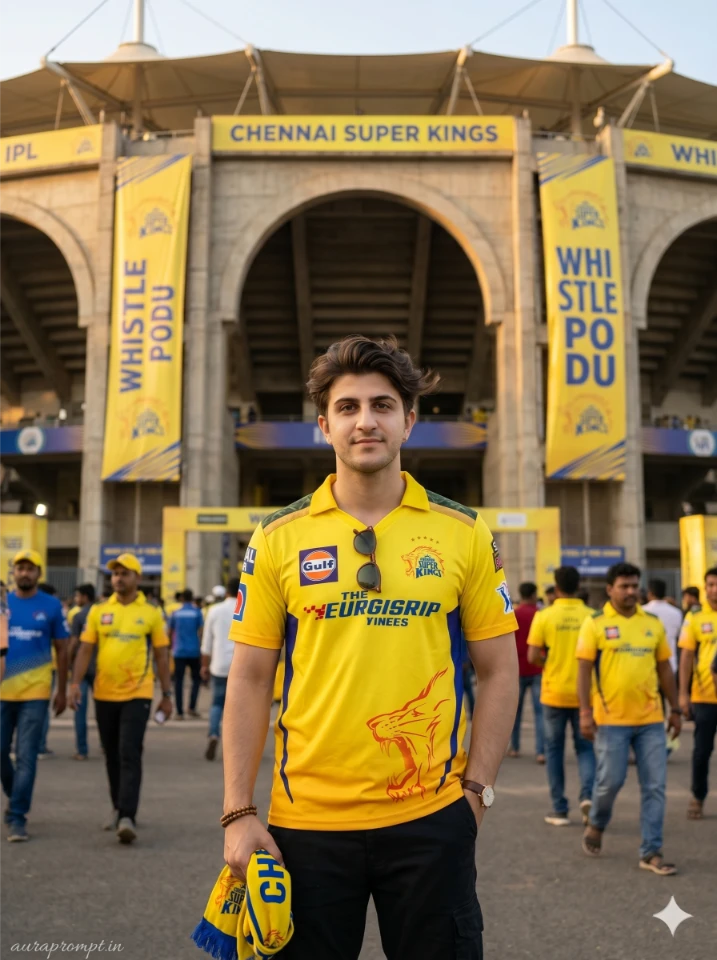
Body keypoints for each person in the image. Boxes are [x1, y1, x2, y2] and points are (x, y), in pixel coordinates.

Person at [222, 335, 519, 959]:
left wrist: (476, 795)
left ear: (409, 420)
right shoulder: (278, 537)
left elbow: (498, 671)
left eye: (383, 405)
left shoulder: (463, 531)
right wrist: (237, 812)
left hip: (432, 824)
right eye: (349, 407)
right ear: (323, 425)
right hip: (305, 829)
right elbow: (248, 679)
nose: (366, 421)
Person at [577, 562, 681, 876]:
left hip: (651, 719)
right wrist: (585, 712)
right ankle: (597, 821)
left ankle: (651, 851)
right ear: (610, 589)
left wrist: (675, 709)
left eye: (635, 585)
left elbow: (664, 668)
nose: (631, 591)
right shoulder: (594, 623)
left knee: (655, 787)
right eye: (624, 586)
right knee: (610, 782)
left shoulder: (651, 623)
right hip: (611, 720)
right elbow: (583, 670)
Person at [69, 553, 172, 844]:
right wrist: (74, 683)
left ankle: (127, 815)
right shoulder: (98, 611)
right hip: (103, 693)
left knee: (129, 751)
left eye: (125, 573)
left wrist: (166, 694)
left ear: (137, 578)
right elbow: (86, 649)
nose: (118, 578)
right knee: (111, 753)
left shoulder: (151, 612)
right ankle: (118, 807)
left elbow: (162, 656)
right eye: (115, 573)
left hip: (137, 694)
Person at [0, 550, 69, 841]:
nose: (24, 573)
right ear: (13, 572)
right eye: (20, 568)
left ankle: (17, 816)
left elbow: (63, 649)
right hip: (2, 691)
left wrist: (63, 690)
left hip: (36, 692)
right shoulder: (3, 605)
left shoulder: (51, 606)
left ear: (38, 573)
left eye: (30, 568)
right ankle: (17, 796)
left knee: (27, 755)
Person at [527, 566, 595, 826]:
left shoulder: (545, 616)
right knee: (586, 749)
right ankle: (587, 796)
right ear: (578, 587)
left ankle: (559, 809)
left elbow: (533, 656)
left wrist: (550, 663)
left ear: (556, 587)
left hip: (553, 692)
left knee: (554, 751)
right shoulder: (591, 616)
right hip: (585, 695)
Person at [678, 567, 717, 820]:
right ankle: (698, 796)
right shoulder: (694, 618)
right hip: (704, 698)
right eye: (710, 584)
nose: (714, 590)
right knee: (702, 751)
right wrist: (683, 694)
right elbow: (686, 658)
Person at [201, 577, 239, 760]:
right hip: (240, 665)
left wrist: (204, 666)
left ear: (226, 592)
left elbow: (206, 642)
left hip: (219, 665)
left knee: (217, 703)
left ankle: (214, 734)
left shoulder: (214, 611)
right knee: (240, 707)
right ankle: (237, 745)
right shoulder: (245, 609)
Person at [508, 582, 544, 762]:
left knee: (515, 711)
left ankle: (514, 747)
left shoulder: (514, 614)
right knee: (540, 713)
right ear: (534, 595)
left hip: (517, 668)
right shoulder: (540, 614)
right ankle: (540, 751)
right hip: (537, 667)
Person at [68, 583, 96, 761]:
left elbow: (73, 644)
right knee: (104, 712)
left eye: (78, 596)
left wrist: (71, 664)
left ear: (85, 597)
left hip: (82, 669)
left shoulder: (79, 616)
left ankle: (82, 750)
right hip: (100, 668)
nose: (77, 599)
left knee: (80, 711)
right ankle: (106, 745)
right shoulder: (102, 613)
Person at [169, 589, 204, 719]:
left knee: (179, 682)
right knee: (196, 680)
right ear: (192, 598)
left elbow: (169, 631)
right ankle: (192, 707)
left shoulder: (176, 613)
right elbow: (201, 632)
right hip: (194, 650)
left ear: (182, 598)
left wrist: (169, 646)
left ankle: (179, 712)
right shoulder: (197, 613)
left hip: (179, 651)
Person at [644, 578, 683, 679]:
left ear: (650, 593)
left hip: (648, 665)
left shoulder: (642, 612)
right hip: (671, 664)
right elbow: (680, 637)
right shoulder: (676, 613)